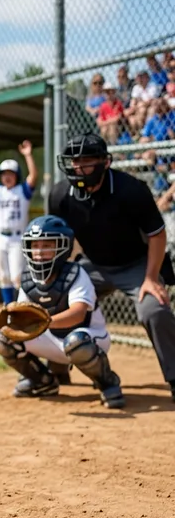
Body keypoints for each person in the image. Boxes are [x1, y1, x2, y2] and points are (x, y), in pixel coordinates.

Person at [49, 133, 175, 401]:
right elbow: (60, 238)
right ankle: (56, 368)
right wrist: (58, 277)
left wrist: (151, 277)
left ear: (105, 163)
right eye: (74, 161)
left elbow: (157, 234)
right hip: (93, 264)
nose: (78, 168)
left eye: (86, 161)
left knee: (154, 309)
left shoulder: (131, 189)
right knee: (57, 298)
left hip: (136, 265)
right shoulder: (61, 194)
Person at [0, 215, 124, 407]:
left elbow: (78, 313)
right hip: (52, 339)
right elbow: (24, 315)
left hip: (89, 338)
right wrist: (15, 322)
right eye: (35, 245)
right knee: (3, 338)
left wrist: (45, 322)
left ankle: (107, 382)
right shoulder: (29, 279)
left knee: (76, 341)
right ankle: (43, 382)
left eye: (47, 245)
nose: (39, 252)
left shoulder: (75, 274)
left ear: (63, 246)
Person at [0, 142, 37, 305]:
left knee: (17, 276)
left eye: (11, 173)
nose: (7, 176)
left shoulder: (22, 190)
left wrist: (28, 155)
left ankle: (22, 306)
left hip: (17, 237)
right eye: (4, 173)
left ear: (17, 175)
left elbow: (34, 176)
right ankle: (9, 306)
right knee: (4, 276)